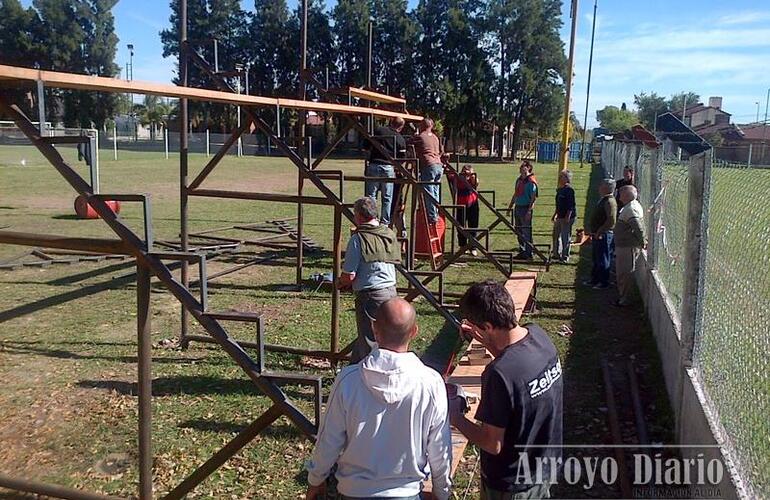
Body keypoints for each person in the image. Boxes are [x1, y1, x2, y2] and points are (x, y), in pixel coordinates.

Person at [305, 298, 453, 500]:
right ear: (414, 332)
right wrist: (442, 491)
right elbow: (439, 447)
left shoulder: (349, 380)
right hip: (406, 493)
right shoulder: (430, 383)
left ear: (374, 329)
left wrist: (316, 479)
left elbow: (328, 439)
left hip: (353, 492)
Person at [450, 281, 563, 499]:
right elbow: (515, 369)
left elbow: (493, 444)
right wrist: (488, 342)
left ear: (488, 327)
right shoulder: (539, 337)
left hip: (511, 487)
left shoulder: (498, 374)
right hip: (544, 468)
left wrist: (455, 417)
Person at [340, 197, 401, 363]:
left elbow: (349, 275)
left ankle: (368, 379)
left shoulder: (358, 239)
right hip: (391, 292)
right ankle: (357, 369)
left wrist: (340, 282)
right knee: (389, 340)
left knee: (369, 342)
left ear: (358, 216)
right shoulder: (388, 233)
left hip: (371, 296)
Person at [364, 117, 407, 226]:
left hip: (374, 165)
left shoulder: (379, 131)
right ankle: (385, 222)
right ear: (401, 127)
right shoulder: (400, 138)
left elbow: (366, 145)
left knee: (371, 195)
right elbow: (402, 157)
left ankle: (372, 219)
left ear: (390, 122)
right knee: (387, 197)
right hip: (388, 168)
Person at [409, 118, 446, 224]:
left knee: (428, 192)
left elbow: (409, 142)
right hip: (438, 165)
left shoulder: (420, 137)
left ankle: (432, 216)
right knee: (435, 191)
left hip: (429, 165)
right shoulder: (435, 137)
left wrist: (414, 135)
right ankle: (436, 212)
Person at [614, 185, 646, 307]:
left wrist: (643, 241)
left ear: (627, 195)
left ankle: (625, 299)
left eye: (621, 193)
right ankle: (623, 296)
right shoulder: (629, 207)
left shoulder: (631, 209)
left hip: (628, 246)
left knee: (625, 272)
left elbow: (637, 227)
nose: (619, 195)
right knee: (622, 272)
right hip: (624, 245)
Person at [584, 179, 617, 289]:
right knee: (596, 257)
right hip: (597, 233)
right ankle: (595, 279)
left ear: (607, 188)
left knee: (603, 258)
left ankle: (603, 282)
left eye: (601, 186)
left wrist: (600, 231)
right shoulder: (604, 199)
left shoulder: (609, 202)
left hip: (603, 234)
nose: (599, 188)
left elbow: (611, 220)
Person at [508, 161, 538, 260]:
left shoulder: (531, 182)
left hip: (526, 208)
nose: (521, 168)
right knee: (518, 231)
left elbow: (533, 198)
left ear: (529, 168)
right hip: (518, 207)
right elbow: (515, 194)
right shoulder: (519, 180)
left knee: (526, 232)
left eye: (524, 167)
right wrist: (510, 207)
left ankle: (529, 253)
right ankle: (522, 251)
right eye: (521, 167)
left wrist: (529, 211)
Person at [447, 164, 480, 255]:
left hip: (473, 204)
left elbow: (476, 182)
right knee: (460, 226)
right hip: (460, 205)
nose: (466, 173)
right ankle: (463, 246)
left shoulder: (472, 178)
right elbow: (449, 175)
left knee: (473, 226)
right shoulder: (458, 178)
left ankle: (473, 247)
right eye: (465, 170)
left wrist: (471, 175)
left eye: (468, 171)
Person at [551, 170, 576, 263]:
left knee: (565, 236)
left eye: (561, 176)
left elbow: (571, 205)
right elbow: (558, 204)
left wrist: (568, 216)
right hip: (559, 216)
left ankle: (565, 256)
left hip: (567, 217)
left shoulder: (569, 190)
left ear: (567, 178)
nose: (559, 178)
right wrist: (555, 214)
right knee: (555, 235)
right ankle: (556, 253)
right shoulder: (560, 189)